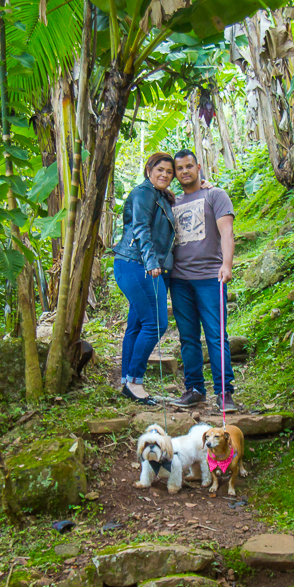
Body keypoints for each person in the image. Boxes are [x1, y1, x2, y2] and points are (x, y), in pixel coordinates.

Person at [167, 149, 237, 412]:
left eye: (189, 166)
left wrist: (227, 264)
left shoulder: (215, 195)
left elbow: (227, 232)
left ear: (198, 167)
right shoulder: (171, 202)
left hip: (210, 276)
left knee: (217, 335)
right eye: (179, 168)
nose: (184, 171)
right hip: (179, 279)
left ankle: (224, 392)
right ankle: (195, 389)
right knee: (188, 337)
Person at [110, 152, 177, 405]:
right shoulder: (143, 193)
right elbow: (140, 227)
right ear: (149, 170)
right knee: (157, 323)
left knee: (137, 326)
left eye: (169, 172)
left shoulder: (160, 197)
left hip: (137, 265)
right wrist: (151, 263)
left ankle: (127, 381)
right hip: (137, 264)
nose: (164, 175)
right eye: (160, 169)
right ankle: (135, 381)